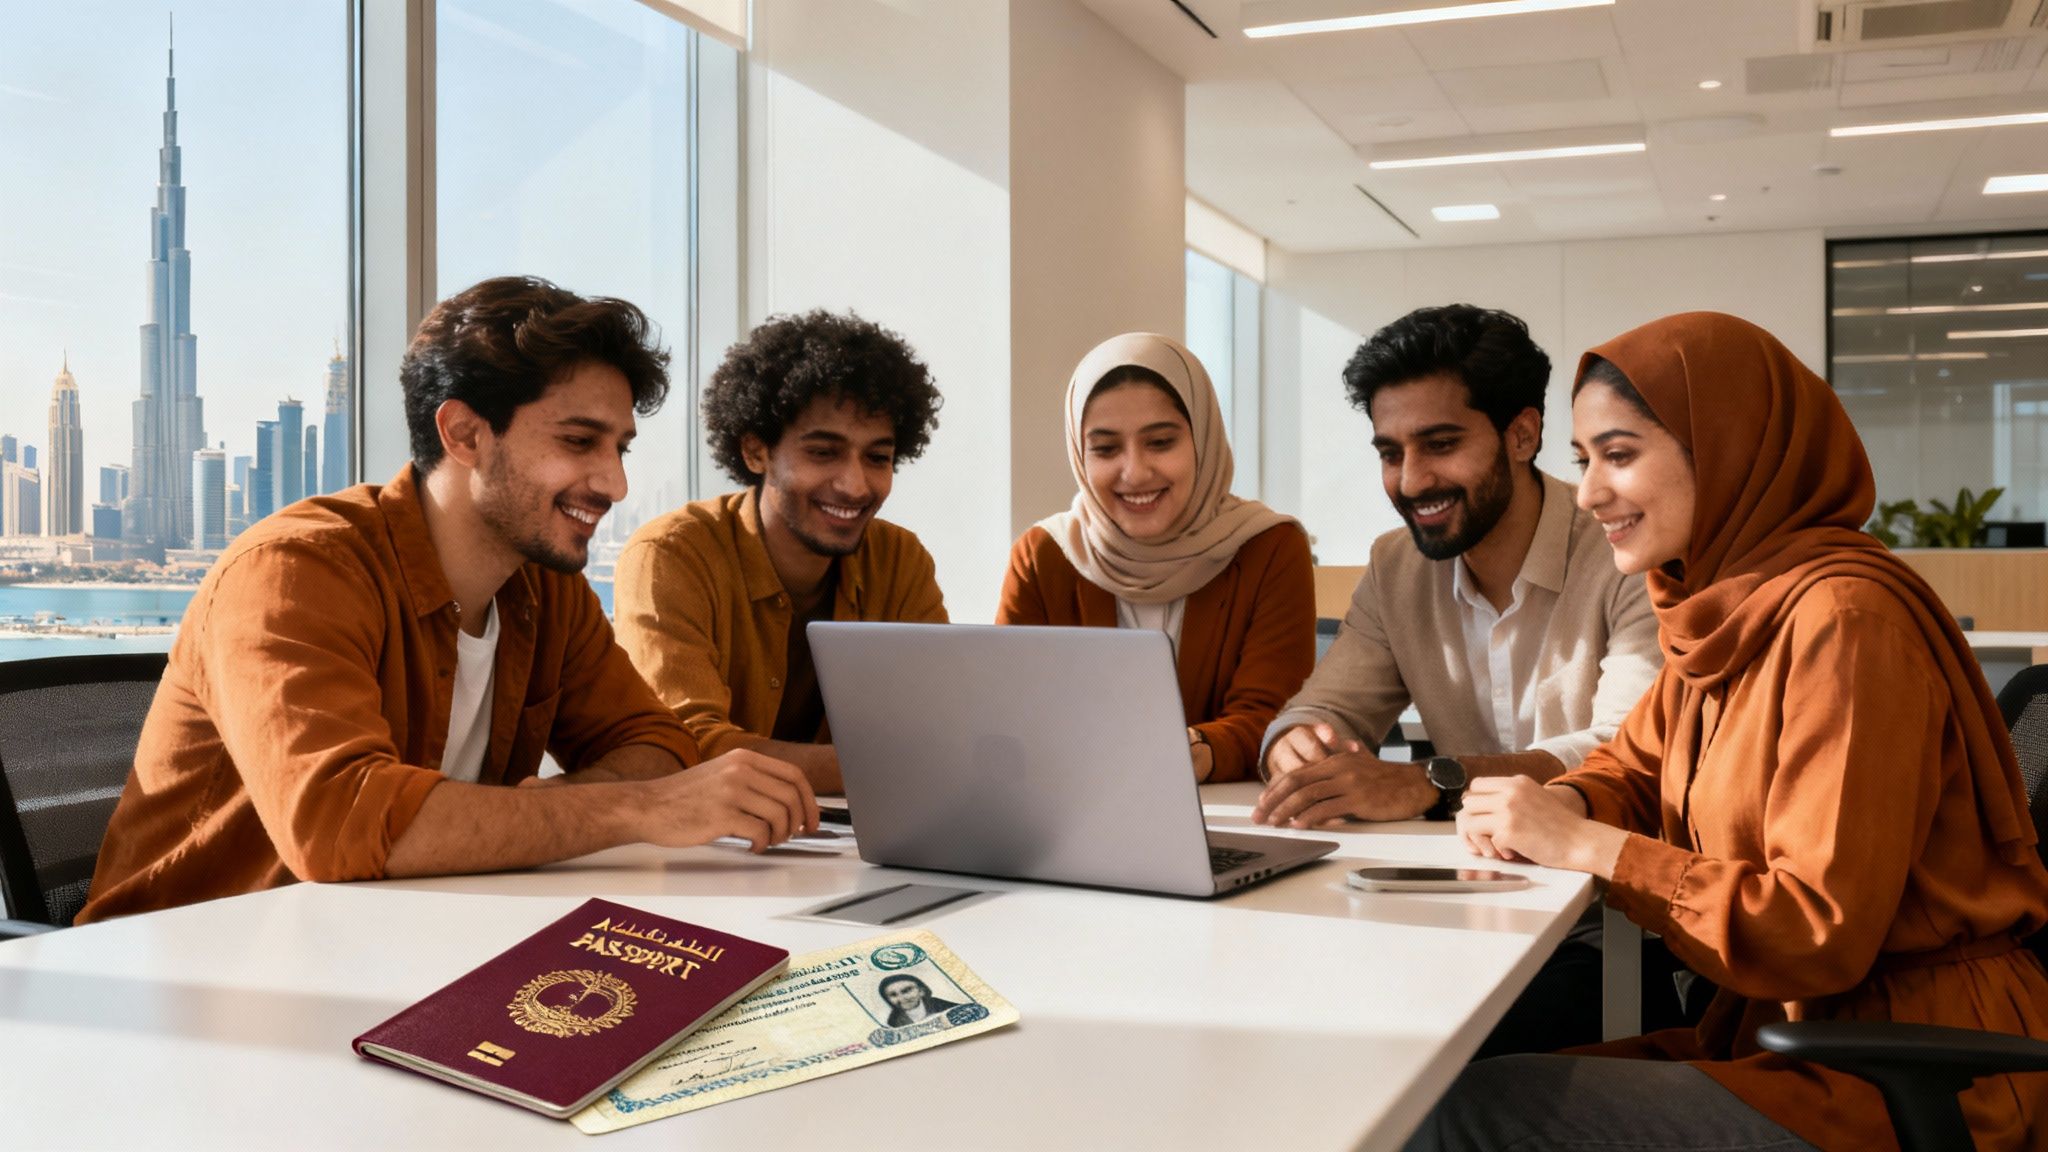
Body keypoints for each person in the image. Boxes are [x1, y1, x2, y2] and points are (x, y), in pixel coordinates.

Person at [1411, 311, 2048, 1151]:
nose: (1592, 492)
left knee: (1463, 1114)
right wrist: (1551, 803)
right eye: (1583, 460)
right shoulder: (1727, 611)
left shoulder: (1842, 621)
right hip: (1787, 1035)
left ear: (1729, 447)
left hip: (1912, 1075)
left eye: (1621, 454)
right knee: (1453, 1081)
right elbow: (1633, 771)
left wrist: (1588, 848)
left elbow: (1813, 929)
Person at [79, 277, 817, 924]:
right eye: (578, 440)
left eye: (619, 447)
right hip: (187, 976)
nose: (615, 483)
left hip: (400, 946)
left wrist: (547, 815)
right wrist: (634, 811)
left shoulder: (544, 587)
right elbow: (338, 827)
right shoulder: (297, 568)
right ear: (465, 433)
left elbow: (659, 746)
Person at [1254, 304, 1659, 825]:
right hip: (1463, 879)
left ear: (1522, 436)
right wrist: (1296, 743)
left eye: (1440, 445)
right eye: (1391, 453)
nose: (1411, 481)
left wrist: (1433, 781)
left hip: (1604, 881)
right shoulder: (1393, 566)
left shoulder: (1623, 551)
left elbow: (1625, 750)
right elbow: (1330, 709)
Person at [614, 310, 946, 795]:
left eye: (878, 457)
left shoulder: (900, 560)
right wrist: (885, 769)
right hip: (707, 857)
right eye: (823, 452)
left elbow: (941, 735)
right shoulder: (671, 555)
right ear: (755, 452)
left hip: (855, 848)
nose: (855, 484)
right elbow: (686, 747)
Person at [996, 332, 1313, 783]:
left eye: (1161, 442)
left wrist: (1202, 750)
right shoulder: (1044, 554)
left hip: (1231, 820)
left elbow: (1275, 718)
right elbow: (1010, 715)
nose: (1135, 472)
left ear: (1201, 439)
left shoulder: (1268, 546)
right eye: (1105, 449)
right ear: (1079, 454)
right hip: (1074, 814)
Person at [880, 974, 962, 1027]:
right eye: (893, 995)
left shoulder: (943, 1006)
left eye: (907, 990)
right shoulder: (892, 1022)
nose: (902, 998)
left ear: (921, 991)